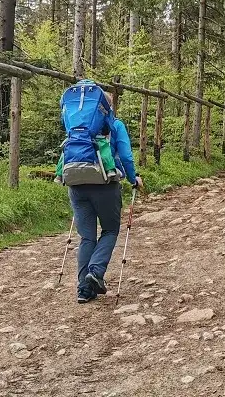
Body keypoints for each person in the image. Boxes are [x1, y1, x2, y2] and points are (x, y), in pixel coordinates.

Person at [67, 92, 142, 304]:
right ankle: (95, 272)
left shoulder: (76, 126)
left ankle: (84, 289)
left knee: (87, 237)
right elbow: (126, 155)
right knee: (110, 229)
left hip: (76, 183)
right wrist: (132, 178)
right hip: (105, 184)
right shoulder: (115, 125)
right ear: (107, 107)